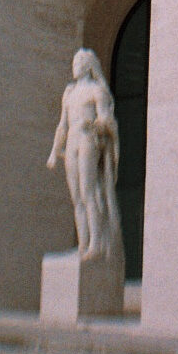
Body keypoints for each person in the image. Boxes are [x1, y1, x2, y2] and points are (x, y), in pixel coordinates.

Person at [47, 48, 122, 262]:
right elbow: (62, 125)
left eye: (79, 61)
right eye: (74, 61)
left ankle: (96, 244)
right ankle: (83, 244)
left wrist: (97, 124)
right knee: (76, 197)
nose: (75, 65)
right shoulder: (69, 92)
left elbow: (106, 119)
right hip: (71, 142)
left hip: (88, 140)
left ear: (89, 66)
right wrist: (54, 151)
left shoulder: (97, 90)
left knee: (89, 192)